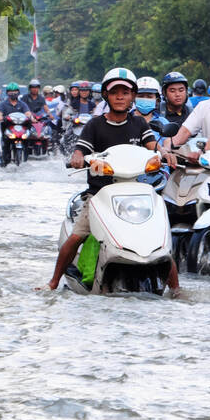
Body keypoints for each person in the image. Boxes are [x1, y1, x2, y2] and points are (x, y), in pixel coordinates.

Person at [43, 68, 176, 291]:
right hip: (100, 194)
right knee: (77, 236)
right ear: (106, 95)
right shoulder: (95, 125)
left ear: (133, 96)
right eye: (115, 93)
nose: (120, 97)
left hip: (136, 194)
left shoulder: (139, 125)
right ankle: (53, 282)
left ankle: (177, 290)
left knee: (160, 240)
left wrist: (165, 153)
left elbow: (153, 146)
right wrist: (78, 157)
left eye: (125, 92)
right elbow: (80, 150)